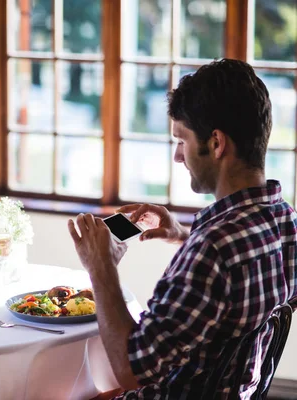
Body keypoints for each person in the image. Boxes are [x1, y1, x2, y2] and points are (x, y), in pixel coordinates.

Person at [69, 59, 297, 398]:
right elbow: (238, 281)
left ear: (217, 144)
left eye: (182, 140)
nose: (178, 156)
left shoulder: (213, 248)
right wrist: (184, 237)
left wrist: (101, 267)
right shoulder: (285, 220)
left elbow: (132, 370)